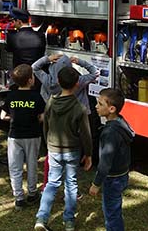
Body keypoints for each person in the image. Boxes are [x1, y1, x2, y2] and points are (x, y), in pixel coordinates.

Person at [34, 66, 92, 231]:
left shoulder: (51, 101)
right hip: (72, 150)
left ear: (58, 82)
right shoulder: (79, 108)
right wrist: (88, 154)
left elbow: (46, 124)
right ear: (77, 85)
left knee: (52, 183)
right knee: (71, 184)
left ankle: (41, 217)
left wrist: (48, 144)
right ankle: (69, 221)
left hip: (53, 149)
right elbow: (86, 134)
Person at [89, 88, 134, 231]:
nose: (96, 106)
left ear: (112, 109)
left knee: (111, 213)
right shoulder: (121, 122)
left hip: (112, 179)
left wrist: (96, 184)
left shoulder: (109, 133)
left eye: (100, 104)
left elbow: (105, 162)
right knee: (115, 208)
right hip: (122, 175)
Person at [1, 64, 45, 210]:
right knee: (32, 164)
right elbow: (42, 117)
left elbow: (3, 116)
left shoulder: (11, 96)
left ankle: (19, 197)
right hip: (32, 135)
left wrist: (14, 118)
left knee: (15, 167)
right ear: (31, 80)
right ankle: (32, 193)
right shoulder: (36, 96)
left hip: (15, 136)